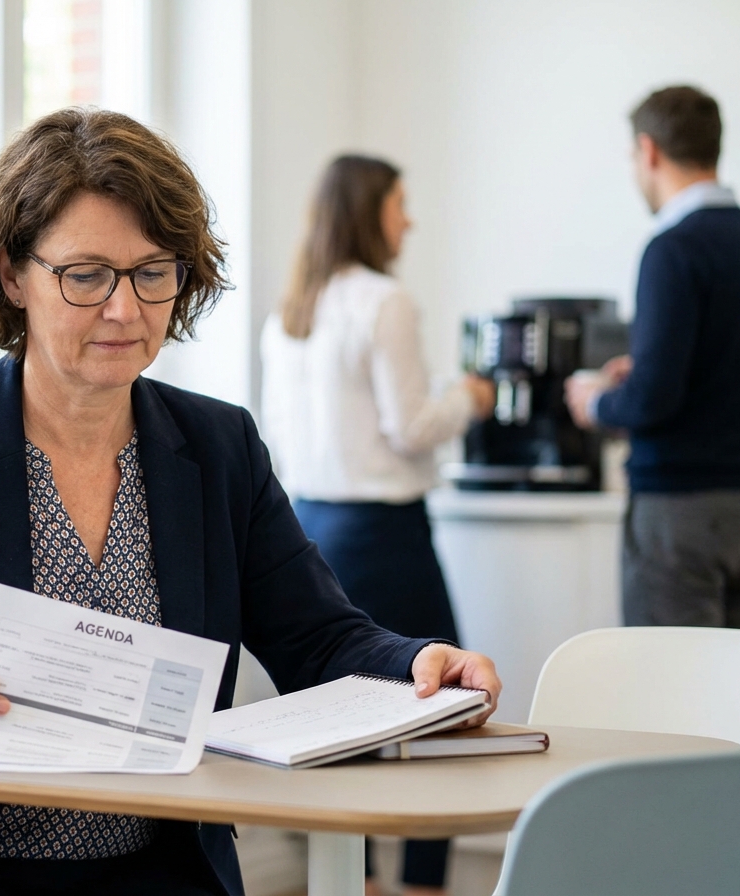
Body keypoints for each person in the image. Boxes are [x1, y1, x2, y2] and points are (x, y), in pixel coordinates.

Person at [0, 110, 501, 896]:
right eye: (86, 275)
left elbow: (317, 638)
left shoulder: (217, 449)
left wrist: (416, 663)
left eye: (153, 272)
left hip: (150, 869)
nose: (126, 309)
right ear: (14, 276)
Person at [260, 155, 495, 896]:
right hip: (387, 534)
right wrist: (469, 396)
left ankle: (352, 882)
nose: (409, 219)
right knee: (448, 706)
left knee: (340, 721)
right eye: (400, 204)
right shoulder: (386, 302)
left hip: (309, 528)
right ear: (370, 211)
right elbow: (411, 425)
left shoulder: (289, 312)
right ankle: (425, 885)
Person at [565, 85, 740, 630]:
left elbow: (654, 398)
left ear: (650, 150)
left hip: (682, 508)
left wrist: (598, 401)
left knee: (669, 693)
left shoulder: (672, 248)